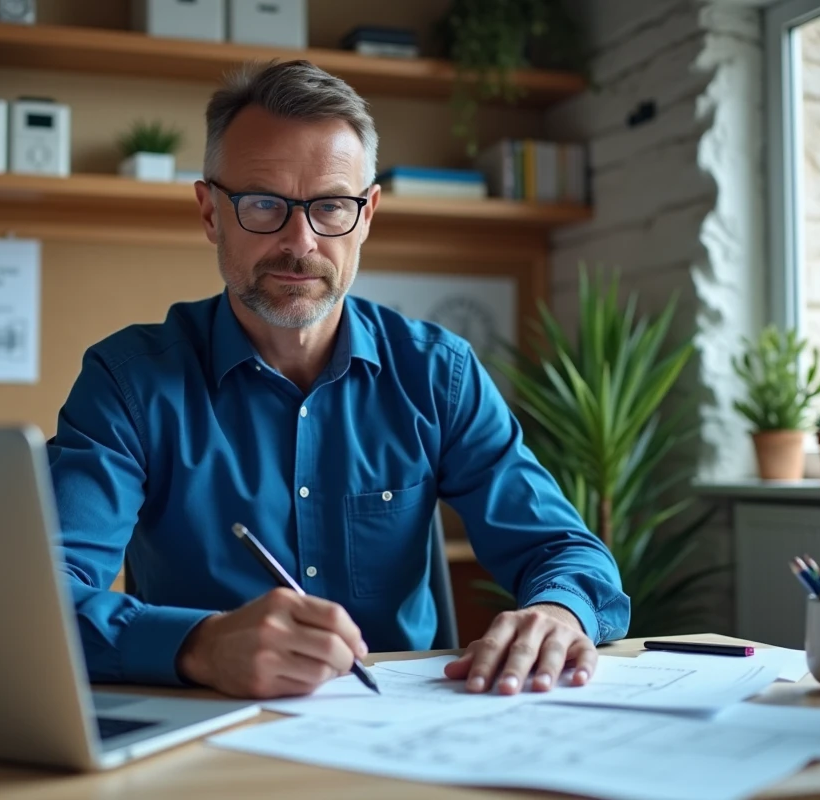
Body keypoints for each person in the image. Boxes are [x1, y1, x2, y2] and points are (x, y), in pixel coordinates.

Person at [48, 59, 629, 701]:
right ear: (211, 212)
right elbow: (43, 596)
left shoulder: (439, 374)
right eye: (263, 204)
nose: (301, 242)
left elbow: (566, 552)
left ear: (368, 214)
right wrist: (201, 645)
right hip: (207, 733)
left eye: (330, 206)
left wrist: (558, 614)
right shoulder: (127, 384)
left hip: (407, 735)